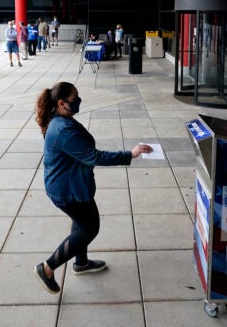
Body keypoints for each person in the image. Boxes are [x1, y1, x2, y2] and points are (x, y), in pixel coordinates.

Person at [32, 82, 152, 294]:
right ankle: (47, 268)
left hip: (69, 185)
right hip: (68, 191)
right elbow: (94, 156)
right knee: (89, 228)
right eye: (74, 99)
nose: (78, 101)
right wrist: (129, 154)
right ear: (61, 103)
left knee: (80, 223)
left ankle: (81, 263)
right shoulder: (63, 130)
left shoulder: (60, 119)